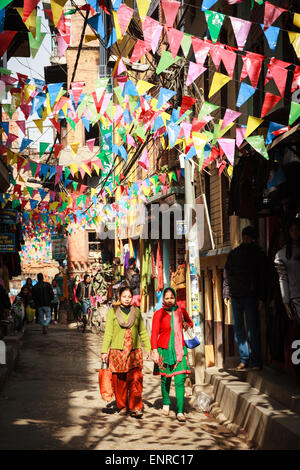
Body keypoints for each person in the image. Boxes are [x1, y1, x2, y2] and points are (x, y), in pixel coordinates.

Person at [101, 286, 151, 418]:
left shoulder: (137, 312)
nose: (127, 299)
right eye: (124, 297)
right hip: (118, 352)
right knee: (120, 381)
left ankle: (135, 407)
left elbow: (142, 332)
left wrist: (149, 348)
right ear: (119, 297)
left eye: (129, 297)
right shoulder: (113, 312)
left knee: (136, 379)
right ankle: (122, 406)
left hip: (134, 351)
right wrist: (104, 351)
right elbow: (108, 334)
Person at [223, 225, 268, 370]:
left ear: (254, 238)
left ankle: (255, 361)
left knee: (252, 330)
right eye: (245, 236)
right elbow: (227, 274)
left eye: (250, 236)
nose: (247, 239)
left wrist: (262, 297)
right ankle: (244, 359)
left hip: (251, 297)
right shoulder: (235, 253)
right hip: (236, 296)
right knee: (239, 330)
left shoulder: (259, 254)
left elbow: (262, 277)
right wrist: (226, 293)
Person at [151, 287, 193, 423]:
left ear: (175, 298)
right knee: (165, 379)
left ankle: (180, 411)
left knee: (180, 380)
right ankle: (166, 403)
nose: (169, 300)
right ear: (163, 299)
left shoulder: (180, 311)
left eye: (172, 298)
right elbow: (154, 333)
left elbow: (190, 322)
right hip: (164, 350)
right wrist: (154, 350)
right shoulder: (158, 314)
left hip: (180, 350)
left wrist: (187, 324)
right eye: (167, 298)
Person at [274, 218, 300, 325]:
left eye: (297, 230)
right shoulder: (282, 255)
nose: (295, 233)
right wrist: (286, 303)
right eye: (292, 230)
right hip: (296, 298)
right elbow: (283, 279)